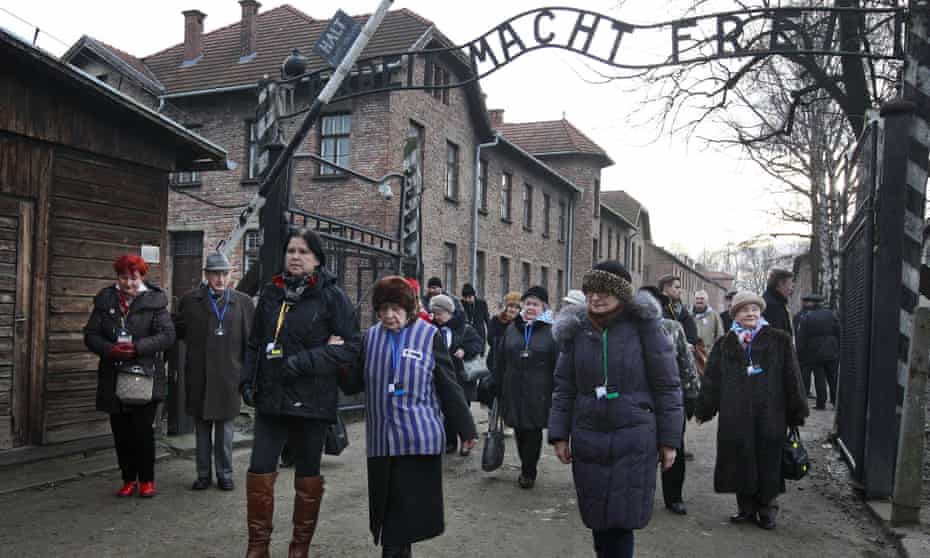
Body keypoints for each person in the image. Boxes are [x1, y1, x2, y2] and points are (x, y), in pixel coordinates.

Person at [239, 228, 362, 558]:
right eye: (291, 250)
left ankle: (299, 548)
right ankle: (257, 547)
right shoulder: (271, 293)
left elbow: (352, 346)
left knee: (307, 474)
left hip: (313, 399)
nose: (295, 257)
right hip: (271, 397)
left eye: (303, 252)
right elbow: (254, 343)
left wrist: (304, 361)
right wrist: (246, 380)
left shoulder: (332, 296)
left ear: (317, 260)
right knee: (260, 468)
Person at [550, 261, 683, 558]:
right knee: (598, 518)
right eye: (590, 291)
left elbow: (668, 387)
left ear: (621, 294)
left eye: (604, 291)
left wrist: (669, 440)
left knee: (622, 520)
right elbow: (564, 387)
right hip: (588, 437)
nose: (595, 297)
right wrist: (559, 434)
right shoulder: (577, 330)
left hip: (634, 437)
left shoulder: (645, 328)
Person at [341, 276, 477, 558]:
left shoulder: (428, 335)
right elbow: (352, 384)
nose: (389, 315)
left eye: (396, 308)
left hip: (417, 440)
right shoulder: (370, 338)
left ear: (409, 307)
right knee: (389, 517)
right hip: (381, 443)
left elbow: (448, 385)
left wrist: (466, 428)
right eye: (383, 309)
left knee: (402, 522)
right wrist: (338, 356)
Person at [696, 291, 809, 530]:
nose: (750, 313)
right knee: (740, 458)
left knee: (768, 459)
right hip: (735, 414)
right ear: (735, 314)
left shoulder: (780, 340)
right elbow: (712, 380)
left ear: (761, 312)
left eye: (754, 309)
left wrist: (796, 410)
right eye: (744, 310)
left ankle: (767, 509)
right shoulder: (725, 343)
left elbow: (792, 377)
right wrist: (704, 408)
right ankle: (745, 508)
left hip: (771, 413)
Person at [84, 254, 176, 498]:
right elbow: (90, 335)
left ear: (142, 276)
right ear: (118, 277)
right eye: (124, 277)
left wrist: (138, 347)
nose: (129, 283)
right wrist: (109, 349)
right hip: (113, 375)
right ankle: (128, 479)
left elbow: (168, 335)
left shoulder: (155, 302)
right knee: (121, 432)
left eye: (134, 278)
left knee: (143, 432)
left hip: (143, 376)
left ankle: (146, 480)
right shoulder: (106, 300)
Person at [174, 252, 255, 491]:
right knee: (201, 430)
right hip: (199, 377)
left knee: (225, 431)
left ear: (231, 275)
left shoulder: (243, 302)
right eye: (215, 274)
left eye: (224, 274)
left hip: (229, 377)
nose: (220, 279)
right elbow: (176, 332)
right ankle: (202, 475)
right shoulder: (190, 301)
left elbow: (251, 343)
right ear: (207, 275)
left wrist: (246, 376)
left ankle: (225, 474)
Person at [490, 285, 558, 489]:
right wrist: (496, 381)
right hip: (513, 387)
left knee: (533, 430)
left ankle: (529, 471)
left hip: (539, 390)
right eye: (527, 303)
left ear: (543, 307)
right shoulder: (513, 328)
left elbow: (557, 363)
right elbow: (500, 358)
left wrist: (557, 390)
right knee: (519, 428)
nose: (530, 307)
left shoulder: (551, 331)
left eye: (535, 304)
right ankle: (525, 464)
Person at [640, 286, 699, 515]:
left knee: (673, 446)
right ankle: (641, 496)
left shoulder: (673, 328)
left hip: (670, 398)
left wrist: (692, 393)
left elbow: (686, 362)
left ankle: (674, 497)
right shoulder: (628, 329)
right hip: (640, 399)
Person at [430, 294, 482, 455]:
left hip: (462, 378)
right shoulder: (432, 329)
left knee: (462, 409)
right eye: (434, 313)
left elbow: (478, 344)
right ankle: (450, 442)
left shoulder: (465, 328)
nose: (436, 317)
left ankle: (466, 441)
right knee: (447, 411)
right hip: (443, 378)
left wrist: (465, 351)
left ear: (448, 312)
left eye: (439, 313)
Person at [794, 294, 840, 409]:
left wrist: (801, 353)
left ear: (812, 303)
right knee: (833, 377)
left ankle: (821, 403)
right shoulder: (831, 315)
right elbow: (838, 331)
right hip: (832, 350)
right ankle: (835, 401)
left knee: (819, 378)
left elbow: (801, 337)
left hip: (815, 352)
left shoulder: (807, 317)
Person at [657, 274, 698, 344]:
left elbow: (693, 338)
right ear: (666, 288)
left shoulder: (682, 312)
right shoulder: (654, 309)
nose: (680, 291)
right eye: (677, 287)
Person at [762, 269, 795, 334]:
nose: (791, 289)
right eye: (790, 284)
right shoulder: (772, 306)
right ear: (780, 284)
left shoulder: (776, 302)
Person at [461, 283, 490, 352]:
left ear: (474, 295)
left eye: (470, 297)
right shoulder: (461, 304)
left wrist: (491, 332)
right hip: (466, 335)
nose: (468, 300)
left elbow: (487, 319)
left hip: (479, 334)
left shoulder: (481, 303)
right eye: (465, 298)